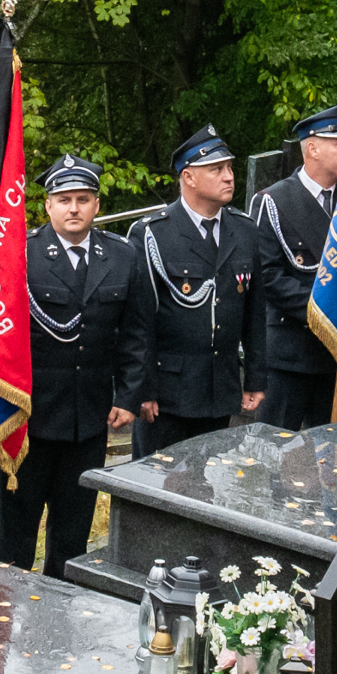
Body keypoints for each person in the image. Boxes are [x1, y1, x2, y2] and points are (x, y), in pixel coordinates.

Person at [0, 156, 144, 575]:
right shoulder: (20, 256)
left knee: (73, 531)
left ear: (97, 205)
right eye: (64, 199)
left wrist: (128, 395)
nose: (73, 208)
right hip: (30, 417)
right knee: (15, 534)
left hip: (89, 418)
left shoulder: (122, 256)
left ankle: (62, 614)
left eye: (83, 199)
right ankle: (6, 614)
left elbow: (135, 333)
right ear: (47, 206)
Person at [131, 127, 257, 456]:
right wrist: (142, 389)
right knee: (156, 488)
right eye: (216, 170)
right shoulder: (152, 234)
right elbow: (138, 321)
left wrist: (257, 377)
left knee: (208, 490)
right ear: (188, 177)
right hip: (168, 392)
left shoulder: (243, 230)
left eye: (229, 168)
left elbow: (255, 312)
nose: (229, 177)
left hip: (220, 387)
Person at [245, 105, 337, 427]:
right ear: (312, 148)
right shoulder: (274, 201)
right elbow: (268, 276)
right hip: (291, 351)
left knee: (330, 450)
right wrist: (325, 310)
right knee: (278, 449)